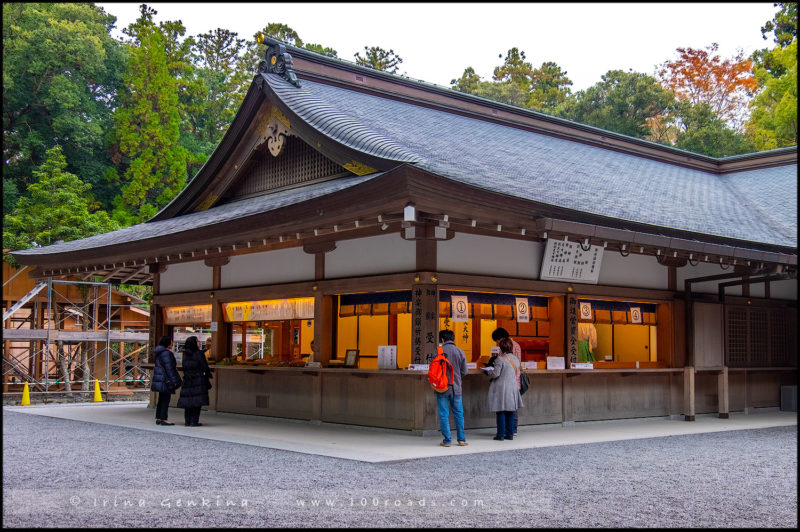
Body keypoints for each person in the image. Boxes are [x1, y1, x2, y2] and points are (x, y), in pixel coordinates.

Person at [484, 337, 523, 440]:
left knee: (500, 411)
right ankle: (510, 434)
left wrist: (488, 371)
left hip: (501, 388)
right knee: (510, 411)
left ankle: (500, 434)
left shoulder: (500, 359)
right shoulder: (516, 359)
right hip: (513, 387)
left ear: (501, 347)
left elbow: (496, 374)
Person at [435, 329, 469, 447]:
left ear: (442, 339)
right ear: (453, 339)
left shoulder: (439, 352)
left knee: (444, 414)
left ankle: (447, 440)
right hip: (456, 387)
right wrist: (457, 377)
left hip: (442, 387)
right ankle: (462, 439)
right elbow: (465, 371)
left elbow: (433, 370)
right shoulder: (460, 352)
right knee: (459, 414)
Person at [176, 336, 213, 427]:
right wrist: (208, 375)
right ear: (194, 343)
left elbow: (184, 367)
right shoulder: (198, 354)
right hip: (198, 379)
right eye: (197, 341)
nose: (199, 343)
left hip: (187, 379)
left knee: (188, 401)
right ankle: (194, 421)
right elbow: (204, 366)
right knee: (197, 401)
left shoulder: (185, 354)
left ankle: (187, 421)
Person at [491, 328, 522, 434]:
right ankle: (513, 429)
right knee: (513, 406)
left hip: (504, 382)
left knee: (502, 407)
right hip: (515, 380)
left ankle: (503, 431)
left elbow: (500, 367)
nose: (497, 343)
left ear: (501, 338)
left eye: (497, 340)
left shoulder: (504, 348)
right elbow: (518, 363)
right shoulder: (517, 345)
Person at [150, 335, 182, 426]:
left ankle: (159, 417)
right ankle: (164, 418)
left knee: (161, 398)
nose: (172, 344)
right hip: (166, 379)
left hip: (161, 378)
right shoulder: (167, 353)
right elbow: (169, 368)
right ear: (168, 343)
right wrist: (174, 380)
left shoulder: (159, 352)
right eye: (171, 342)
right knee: (165, 399)